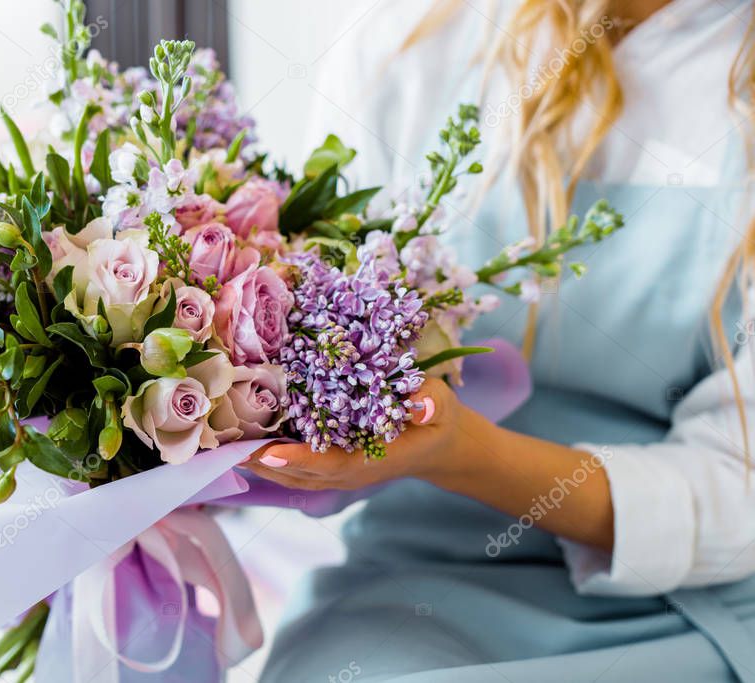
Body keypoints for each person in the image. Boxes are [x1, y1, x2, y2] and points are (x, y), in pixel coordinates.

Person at [245, 1, 755, 680]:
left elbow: (734, 493)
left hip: (689, 603)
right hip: (411, 583)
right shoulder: (408, 45)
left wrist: (460, 451)